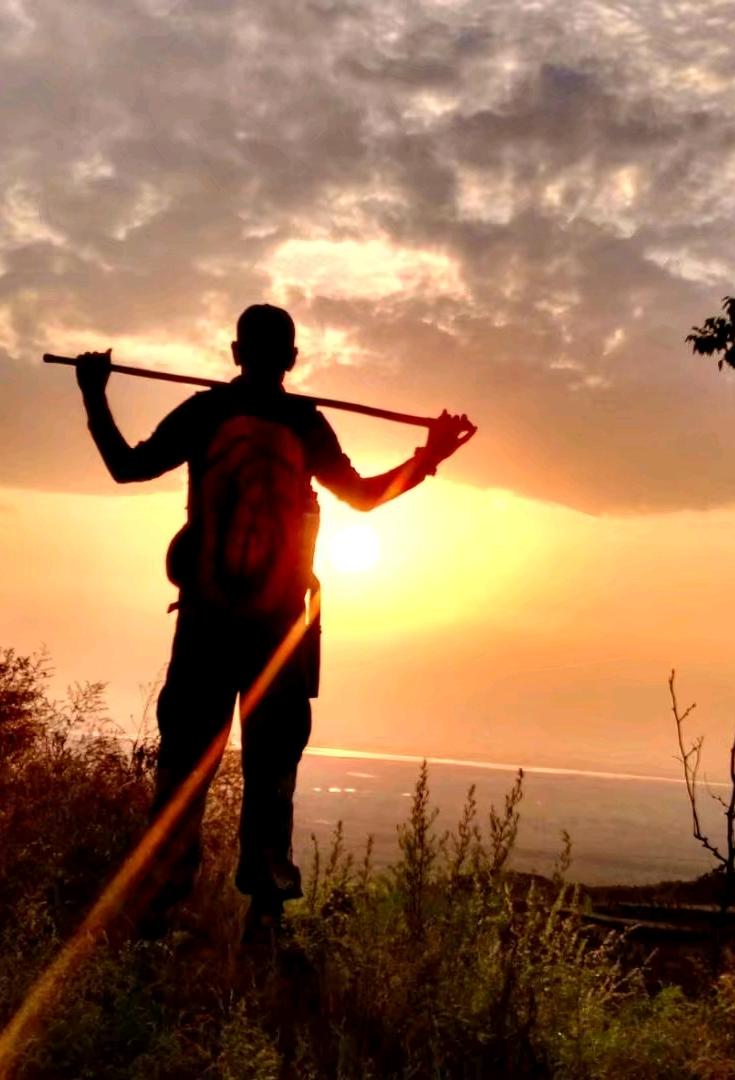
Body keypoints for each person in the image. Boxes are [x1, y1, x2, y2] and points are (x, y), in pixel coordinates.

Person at [74, 304, 474, 940]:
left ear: (237, 353)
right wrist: (429, 456)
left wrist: (94, 396)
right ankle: (265, 913)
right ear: (291, 359)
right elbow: (366, 498)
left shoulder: (206, 412)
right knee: (272, 774)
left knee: (185, 765)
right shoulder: (303, 422)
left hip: (205, 626)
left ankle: (159, 910)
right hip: (280, 633)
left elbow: (127, 466)